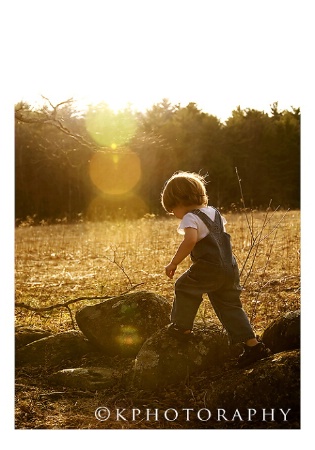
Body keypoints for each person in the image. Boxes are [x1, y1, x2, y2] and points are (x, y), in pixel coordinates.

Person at [161, 171, 271, 367]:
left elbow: (191, 240)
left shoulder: (189, 218)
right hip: (230, 267)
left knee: (184, 285)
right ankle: (254, 346)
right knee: (230, 306)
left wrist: (174, 262)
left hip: (209, 268)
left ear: (179, 201)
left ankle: (182, 327)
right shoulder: (214, 213)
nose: (173, 215)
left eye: (172, 210)